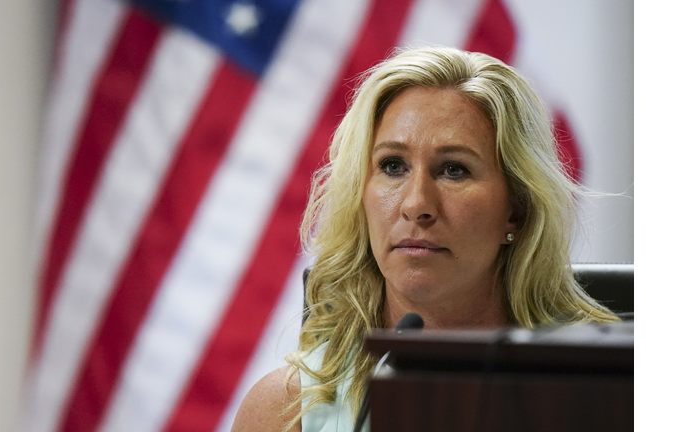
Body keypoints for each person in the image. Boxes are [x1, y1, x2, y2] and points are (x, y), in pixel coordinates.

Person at [230, 46, 617, 432]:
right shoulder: (285, 410)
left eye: (453, 169)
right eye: (392, 166)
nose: (416, 204)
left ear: (516, 210)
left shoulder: (607, 398)